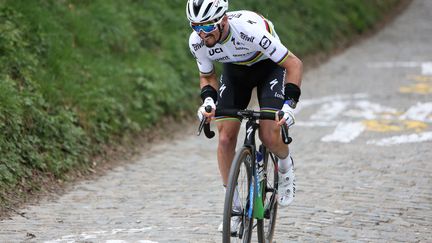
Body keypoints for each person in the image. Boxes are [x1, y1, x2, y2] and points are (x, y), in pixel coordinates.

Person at [186, 0, 303, 231]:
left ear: (224, 21)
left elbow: (294, 64)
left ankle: (285, 164)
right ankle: (235, 208)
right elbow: (207, 76)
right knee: (225, 138)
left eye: (208, 27)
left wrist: (290, 105)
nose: (201, 34)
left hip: (269, 67)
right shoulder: (197, 42)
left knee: (269, 135)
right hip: (234, 72)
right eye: (195, 26)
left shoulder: (251, 32)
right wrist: (209, 101)